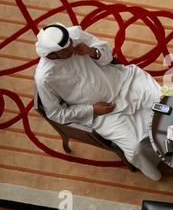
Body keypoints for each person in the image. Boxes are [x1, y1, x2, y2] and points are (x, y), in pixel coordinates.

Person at [34, 23, 162, 181]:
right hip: (102, 115)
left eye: (72, 43)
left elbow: (107, 55)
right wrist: (91, 109)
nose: (72, 47)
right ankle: (160, 163)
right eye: (67, 50)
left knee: (163, 101)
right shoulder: (44, 78)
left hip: (123, 83)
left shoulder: (74, 34)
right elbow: (55, 114)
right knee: (135, 148)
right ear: (51, 55)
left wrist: (92, 51)